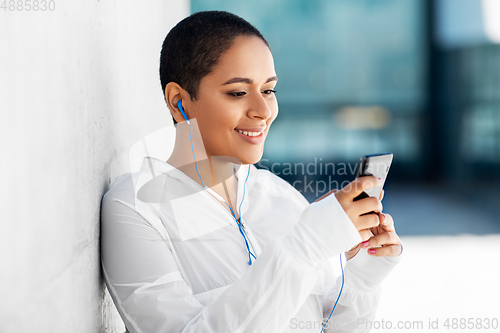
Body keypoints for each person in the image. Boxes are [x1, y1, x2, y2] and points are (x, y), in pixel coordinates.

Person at [100, 10, 403, 333]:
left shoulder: (282, 197)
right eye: (238, 92)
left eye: (269, 90)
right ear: (180, 102)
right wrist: (305, 244)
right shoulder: (136, 207)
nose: (263, 111)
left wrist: (362, 280)